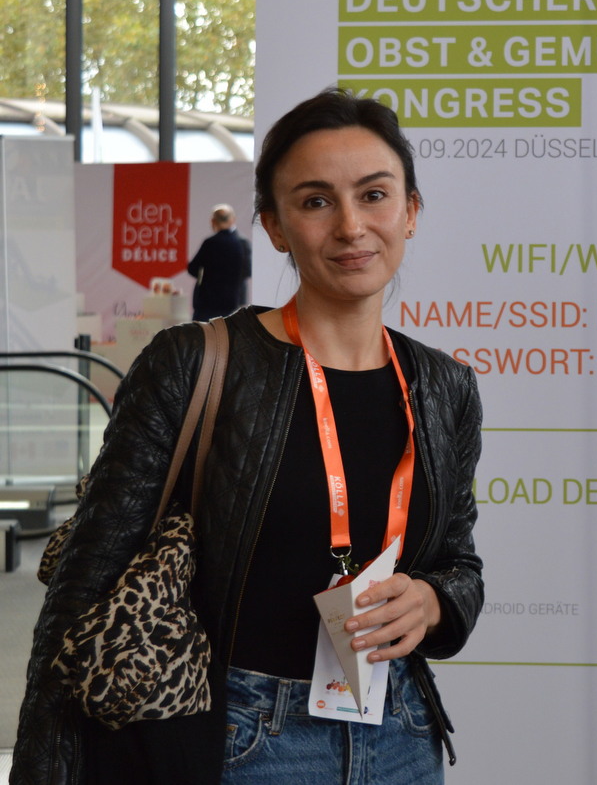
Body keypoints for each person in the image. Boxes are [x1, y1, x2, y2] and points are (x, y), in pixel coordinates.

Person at [16, 88, 484, 784]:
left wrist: (435, 600)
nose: (351, 225)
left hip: (402, 734)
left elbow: (458, 563)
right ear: (274, 226)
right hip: (240, 736)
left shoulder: (444, 386)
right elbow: (84, 586)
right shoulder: (194, 364)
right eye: (316, 201)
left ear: (410, 211)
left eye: (374, 195)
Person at [187, 203, 250, 321]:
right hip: (233, 301)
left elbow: (192, 268)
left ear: (213, 221)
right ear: (233, 219)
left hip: (208, 301)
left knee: (203, 331)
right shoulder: (242, 243)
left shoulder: (210, 243)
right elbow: (247, 271)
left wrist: (207, 277)